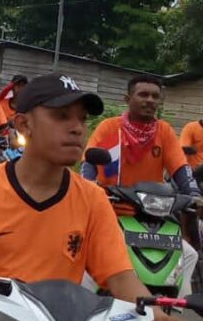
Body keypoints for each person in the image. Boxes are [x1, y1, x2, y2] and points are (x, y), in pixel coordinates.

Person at [0, 73, 189, 321]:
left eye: (82, 119)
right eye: (61, 116)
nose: (77, 129)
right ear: (23, 124)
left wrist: (157, 314)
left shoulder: (93, 199)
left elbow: (120, 278)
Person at [82, 75, 200, 297]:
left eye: (155, 96)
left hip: (152, 214)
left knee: (190, 254)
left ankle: (174, 308)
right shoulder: (110, 128)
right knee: (86, 253)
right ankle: (82, 306)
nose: (150, 100)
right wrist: (88, 186)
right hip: (110, 210)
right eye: (143, 94)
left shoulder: (163, 131)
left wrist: (193, 192)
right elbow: (88, 163)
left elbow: (181, 168)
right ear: (128, 98)